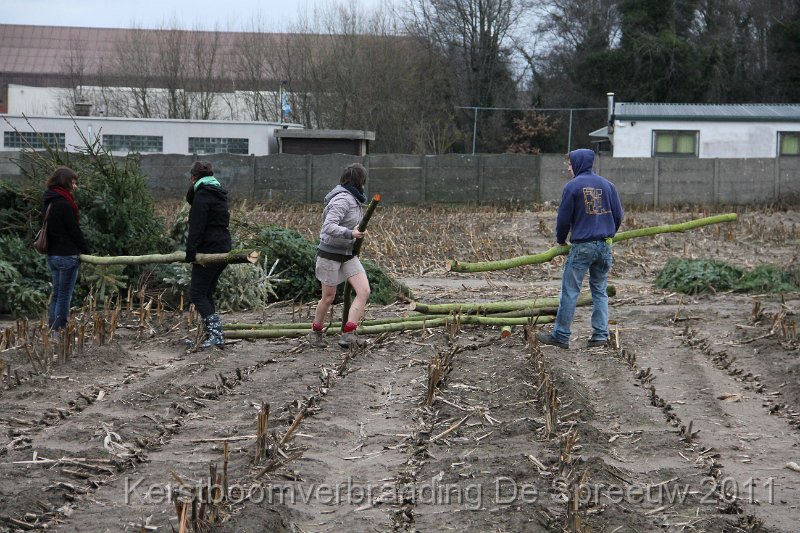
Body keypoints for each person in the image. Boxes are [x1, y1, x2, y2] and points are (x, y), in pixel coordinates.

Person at [537, 148, 623, 349]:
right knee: (600, 290)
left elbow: (563, 219)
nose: (568, 168)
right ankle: (601, 335)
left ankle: (560, 335)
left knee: (570, 291)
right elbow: (618, 215)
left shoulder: (572, 187)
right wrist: (609, 234)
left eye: (569, 164)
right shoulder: (608, 185)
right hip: (604, 246)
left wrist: (560, 240)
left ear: (577, 163)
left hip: (583, 246)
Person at [307, 163, 371, 349]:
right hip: (329, 254)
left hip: (348, 254)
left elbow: (350, 225)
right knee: (329, 297)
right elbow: (328, 226)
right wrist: (350, 234)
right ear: (360, 181)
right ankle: (315, 332)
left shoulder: (355, 199)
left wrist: (356, 232)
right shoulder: (343, 199)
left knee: (364, 291)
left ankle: (348, 334)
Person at [185, 161, 231, 349]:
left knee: (197, 293)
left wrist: (191, 252)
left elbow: (197, 226)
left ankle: (216, 335)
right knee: (206, 293)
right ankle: (211, 335)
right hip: (224, 247)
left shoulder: (202, 195)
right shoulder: (218, 193)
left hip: (208, 250)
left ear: (194, 177)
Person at [42, 166, 91, 332]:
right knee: (64, 297)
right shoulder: (63, 203)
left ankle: (52, 330)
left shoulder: (49, 200)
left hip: (53, 256)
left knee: (56, 295)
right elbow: (73, 230)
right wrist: (86, 250)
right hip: (67, 256)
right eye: (73, 182)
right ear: (65, 182)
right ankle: (59, 332)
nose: (75, 186)